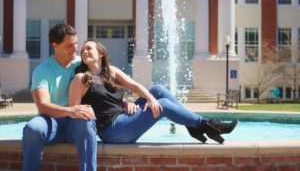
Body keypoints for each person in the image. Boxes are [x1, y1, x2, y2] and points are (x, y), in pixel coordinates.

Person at [69, 40, 238, 145]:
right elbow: (74, 110)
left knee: (156, 89)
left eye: (88, 48)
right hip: (112, 131)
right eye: (82, 50)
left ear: (100, 53)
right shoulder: (81, 78)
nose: (84, 52)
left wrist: (147, 99)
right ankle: (207, 125)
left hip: (123, 119)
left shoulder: (111, 71)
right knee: (162, 105)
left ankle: (193, 125)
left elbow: (135, 87)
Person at [22, 24, 97, 171]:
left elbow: (105, 82)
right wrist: (69, 111)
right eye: (70, 45)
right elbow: (42, 105)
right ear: (55, 45)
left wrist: (123, 102)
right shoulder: (43, 70)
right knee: (32, 128)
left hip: (75, 122)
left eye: (76, 43)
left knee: (86, 122)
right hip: (50, 121)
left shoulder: (81, 63)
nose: (75, 49)